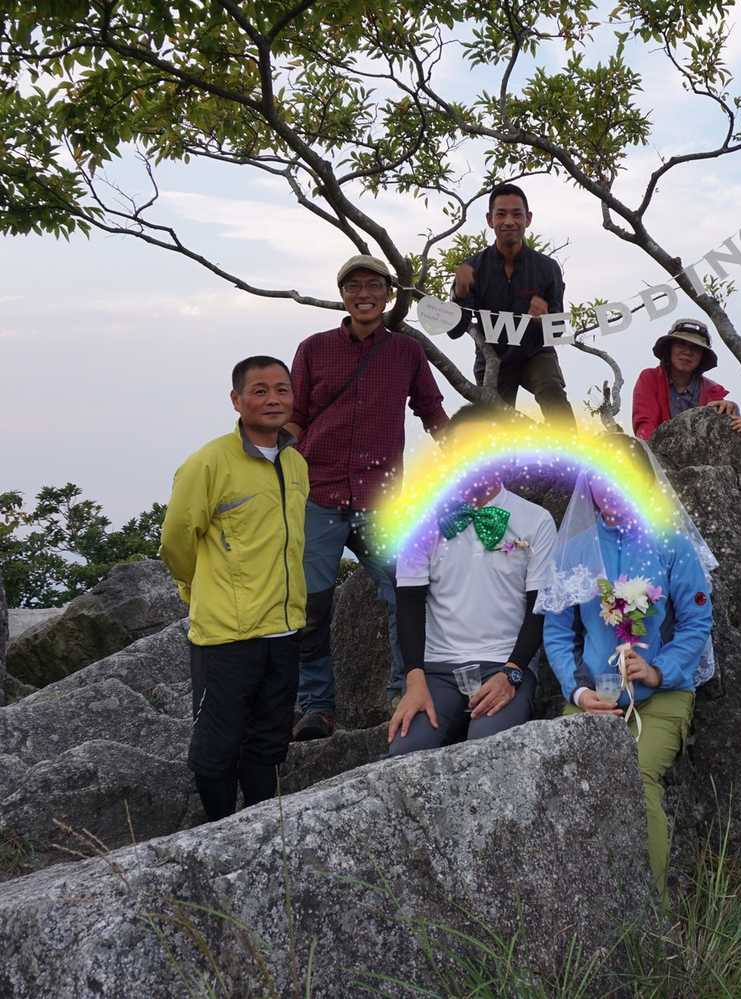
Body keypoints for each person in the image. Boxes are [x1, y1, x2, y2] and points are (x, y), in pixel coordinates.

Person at [539, 439, 715, 891]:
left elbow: (697, 621)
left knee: (636, 775)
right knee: (568, 777)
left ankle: (650, 906)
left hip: (662, 695)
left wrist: (659, 671)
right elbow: (557, 631)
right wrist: (578, 691)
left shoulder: (670, 542)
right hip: (593, 695)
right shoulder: (575, 547)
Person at [287, 253, 449, 741]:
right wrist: (268, 462)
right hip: (319, 493)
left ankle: (406, 691)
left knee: (406, 592)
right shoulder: (314, 349)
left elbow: (431, 409)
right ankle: (316, 706)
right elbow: (295, 418)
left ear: (388, 294)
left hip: (381, 499)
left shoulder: (406, 352)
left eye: (374, 286)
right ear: (342, 295)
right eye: (354, 287)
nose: (364, 295)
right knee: (311, 605)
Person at [160, 356, 310, 821]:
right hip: (227, 633)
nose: (273, 399)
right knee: (216, 747)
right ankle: (219, 832)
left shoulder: (296, 463)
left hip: (284, 627)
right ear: (236, 400)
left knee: (269, 741)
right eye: (260, 390)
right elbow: (176, 541)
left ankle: (259, 829)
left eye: (282, 389)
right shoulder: (208, 463)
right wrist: (197, 588)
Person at [385, 408, 559, 756]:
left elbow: (540, 606)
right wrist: (414, 679)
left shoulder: (536, 520)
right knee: (405, 750)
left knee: (487, 750)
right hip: (437, 670)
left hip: (505, 665)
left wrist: (513, 673)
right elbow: (408, 604)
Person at [452, 184, 576, 424]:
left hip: (535, 353)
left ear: (528, 219)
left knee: (553, 393)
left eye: (516, 214)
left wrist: (543, 320)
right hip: (492, 357)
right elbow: (455, 330)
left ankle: (571, 445)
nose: (509, 221)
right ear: (490, 220)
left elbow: (557, 329)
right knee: (495, 425)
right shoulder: (472, 268)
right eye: (501, 214)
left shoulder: (547, 268)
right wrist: (459, 294)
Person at [631, 318, 730, 440]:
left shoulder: (714, 393)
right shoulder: (650, 379)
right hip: (656, 449)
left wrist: (732, 412)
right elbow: (645, 424)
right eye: (681, 344)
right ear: (670, 348)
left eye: (695, 347)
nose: (687, 352)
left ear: (702, 356)